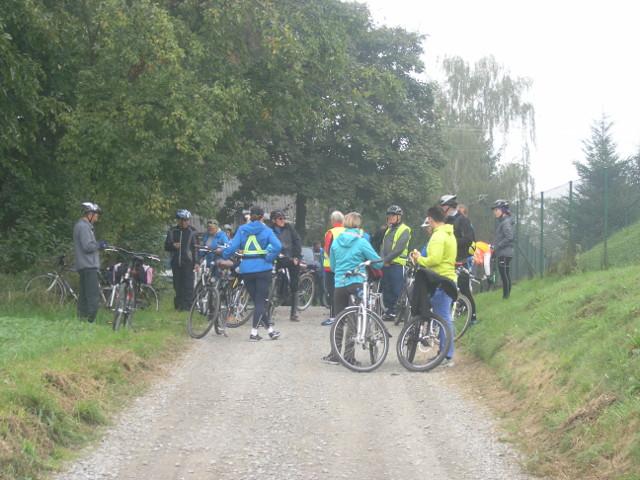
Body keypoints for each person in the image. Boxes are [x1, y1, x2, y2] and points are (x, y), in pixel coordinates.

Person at [322, 212, 383, 364]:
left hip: (340, 284)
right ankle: (349, 357)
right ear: (358, 224)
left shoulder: (336, 242)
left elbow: (333, 266)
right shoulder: (362, 242)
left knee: (338, 319)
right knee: (353, 319)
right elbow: (378, 263)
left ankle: (335, 355)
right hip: (356, 284)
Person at [222, 206, 282, 341]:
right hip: (263, 269)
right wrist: (269, 258)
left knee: (257, 301)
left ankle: (270, 331)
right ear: (262, 217)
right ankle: (254, 333)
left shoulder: (242, 229)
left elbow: (232, 247)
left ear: (251, 215)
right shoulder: (267, 230)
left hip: (246, 270)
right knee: (260, 302)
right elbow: (278, 246)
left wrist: (224, 255)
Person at [410, 205, 457, 367]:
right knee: (444, 318)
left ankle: (447, 355)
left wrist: (418, 258)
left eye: (428, 220)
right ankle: (444, 353)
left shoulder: (438, 236)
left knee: (443, 319)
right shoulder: (449, 233)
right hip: (448, 278)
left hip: (440, 280)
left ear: (430, 219)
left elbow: (434, 260)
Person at [439, 194, 478, 324]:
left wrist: (452, 242)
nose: (442, 209)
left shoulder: (463, 220)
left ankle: (472, 317)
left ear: (449, 206)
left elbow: (469, 239)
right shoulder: (446, 221)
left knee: (464, 289)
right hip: (448, 260)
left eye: (443, 206)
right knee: (447, 288)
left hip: (461, 259)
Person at [73, 202, 107, 323]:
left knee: (84, 295)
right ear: (90, 214)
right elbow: (87, 246)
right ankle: (90, 320)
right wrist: (99, 245)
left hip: (84, 265)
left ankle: (82, 320)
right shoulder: (84, 227)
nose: (97, 217)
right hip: (88, 265)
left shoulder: (82, 226)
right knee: (93, 296)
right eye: (96, 215)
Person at [379, 205, 412, 322]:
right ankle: (390, 312)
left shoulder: (405, 229)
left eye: (393, 215)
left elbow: (399, 249)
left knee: (397, 289)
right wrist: (382, 260)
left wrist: (386, 260)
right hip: (386, 264)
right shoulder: (389, 230)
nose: (390, 217)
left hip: (397, 264)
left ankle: (399, 313)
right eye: (389, 216)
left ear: (399, 217)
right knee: (387, 288)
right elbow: (383, 247)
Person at [270, 210, 303, 321]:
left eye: (283, 218)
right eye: (280, 218)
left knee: (294, 282)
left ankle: (294, 313)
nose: (283, 220)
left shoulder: (289, 228)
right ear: (274, 220)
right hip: (276, 257)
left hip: (290, 257)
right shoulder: (270, 230)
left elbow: (297, 241)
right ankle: (269, 309)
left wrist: (296, 256)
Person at [164, 209, 197, 311]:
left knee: (188, 285)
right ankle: (179, 306)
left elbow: (196, 248)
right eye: (181, 220)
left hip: (188, 262)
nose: (184, 222)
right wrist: (173, 245)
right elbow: (166, 246)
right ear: (178, 220)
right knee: (177, 285)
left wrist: (197, 262)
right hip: (175, 262)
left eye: (186, 220)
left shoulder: (192, 232)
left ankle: (188, 306)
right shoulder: (172, 231)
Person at [321, 211, 345, 326]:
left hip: (331, 268)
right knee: (343, 292)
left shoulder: (330, 233)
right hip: (345, 266)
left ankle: (333, 317)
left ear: (333, 221)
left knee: (332, 292)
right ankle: (344, 316)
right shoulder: (347, 231)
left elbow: (327, 250)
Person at [492, 199, 514, 299]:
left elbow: (509, 237)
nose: (495, 212)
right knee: (506, 274)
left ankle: (506, 296)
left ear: (503, 210)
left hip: (505, 252)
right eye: (494, 210)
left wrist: (497, 246)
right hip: (504, 252)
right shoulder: (504, 222)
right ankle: (507, 295)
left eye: (497, 210)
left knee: (504, 274)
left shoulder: (505, 223)